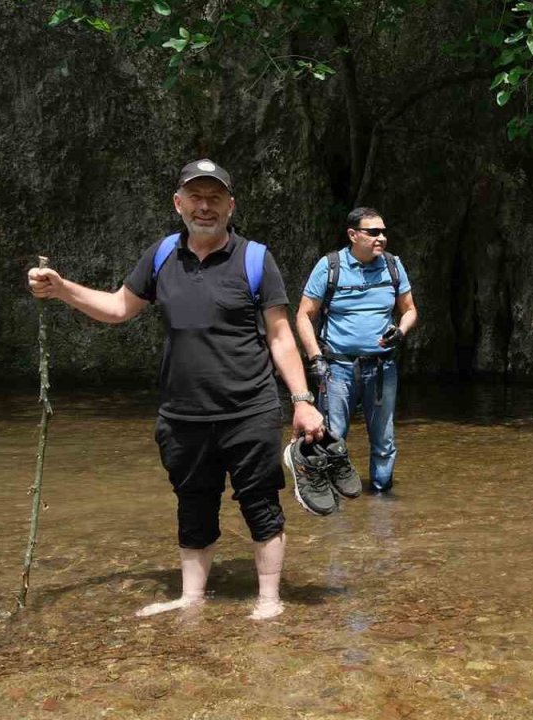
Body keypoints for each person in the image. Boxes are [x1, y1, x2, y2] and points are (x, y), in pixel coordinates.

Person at [26, 159, 323, 620]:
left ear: (230, 205)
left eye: (215, 198)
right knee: (192, 504)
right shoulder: (162, 254)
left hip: (249, 409)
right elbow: (118, 308)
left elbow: (281, 336)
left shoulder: (255, 258)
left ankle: (269, 599)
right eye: (196, 197)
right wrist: (62, 288)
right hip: (182, 413)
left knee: (261, 502)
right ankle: (191, 598)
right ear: (178, 203)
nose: (205, 207)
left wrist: (302, 401)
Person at [295, 207, 417, 500]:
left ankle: (382, 503)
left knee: (384, 440)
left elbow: (410, 309)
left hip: (381, 367)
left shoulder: (392, 265)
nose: (382, 238)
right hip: (337, 369)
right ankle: (331, 500)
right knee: (333, 435)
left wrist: (400, 331)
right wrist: (316, 359)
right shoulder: (330, 266)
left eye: (383, 232)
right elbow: (303, 315)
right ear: (353, 235)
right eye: (373, 232)